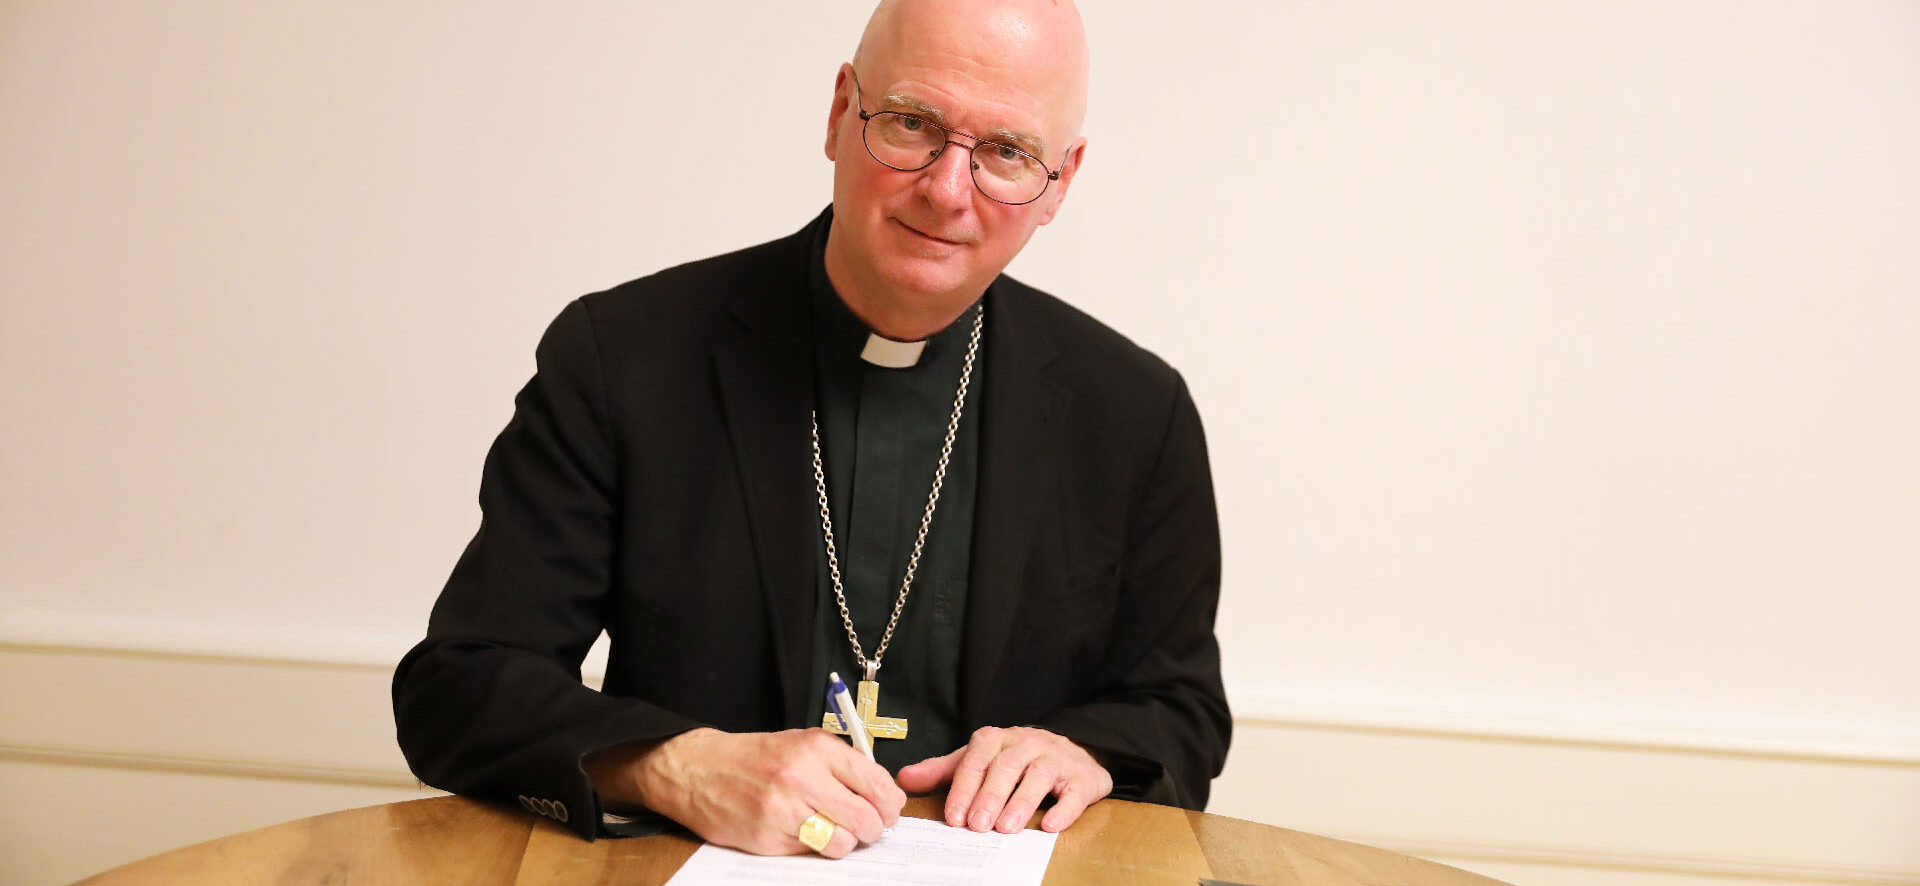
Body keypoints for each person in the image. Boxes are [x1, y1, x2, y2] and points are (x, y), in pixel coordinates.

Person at [392, 0, 1229, 860]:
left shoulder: (1135, 412)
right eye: (911, 124)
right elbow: (458, 687)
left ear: (1061, 180)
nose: (947, 191)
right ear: (840, 114)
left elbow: (1181, 709)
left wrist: (1083, 753)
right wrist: (670, 765)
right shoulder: (624, 359)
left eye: (1007, 153)